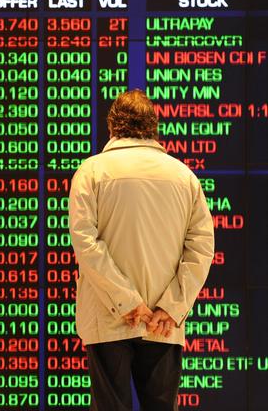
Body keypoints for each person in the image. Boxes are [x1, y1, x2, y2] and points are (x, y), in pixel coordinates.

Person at [68, 89, 215, 411]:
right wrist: (171, 308)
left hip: (107, 317)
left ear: (112, 127)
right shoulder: (184, 176)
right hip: (162, 323)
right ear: (154, 126)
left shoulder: (91, 172)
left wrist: (127, 302)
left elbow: (85, 243)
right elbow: (201, 249)